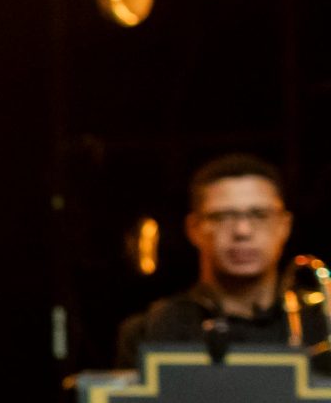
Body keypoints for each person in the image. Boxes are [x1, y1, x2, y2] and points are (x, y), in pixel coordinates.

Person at [115, 153, 297, 367]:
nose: (242, 231)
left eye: (259, 214)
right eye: (222, 216)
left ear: (285, 225)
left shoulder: (319, 326)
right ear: (193, 228)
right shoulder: (150, 332)